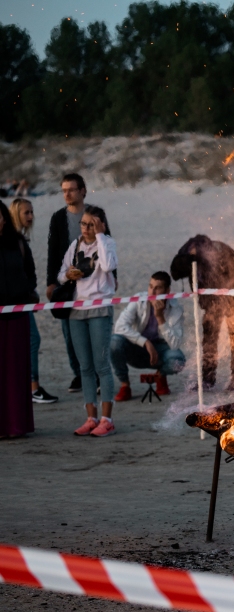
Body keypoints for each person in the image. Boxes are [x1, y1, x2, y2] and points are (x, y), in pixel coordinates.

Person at [58, 205, 118, 437]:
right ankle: (90, 417)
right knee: (85, 367)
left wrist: (101, 236)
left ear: (100, 225)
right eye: (83, 224)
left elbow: (108, 265)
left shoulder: (107, 242)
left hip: (100, 309)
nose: (86, 228)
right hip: (77, 309)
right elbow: (61, 273)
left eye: (91, 224)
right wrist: (67, 275)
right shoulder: (75, 245)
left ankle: (107, 419)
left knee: (102, 365)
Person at [170, 235, 234, 391]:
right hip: (211, 302)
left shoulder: (222, 253)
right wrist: (191, 259)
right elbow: (175, 272)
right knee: (209, 341)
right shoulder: (188, 254)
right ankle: (208, 379)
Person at [10, 198, 57, 403]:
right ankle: (33, 387)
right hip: (16, 300)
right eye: (25, 213)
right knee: (32, 340)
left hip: (23, 298)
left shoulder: (19, 239)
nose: (30, 216)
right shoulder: (13, 241)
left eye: (31, 212)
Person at [111, 271, 186, 401]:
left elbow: (175, 344)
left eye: (158, 288)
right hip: (137, 347)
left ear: (167, 291)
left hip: (162, 349)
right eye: (150, 286)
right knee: (114, 342)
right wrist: (145, 342)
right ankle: (125, 385)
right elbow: (119, 327)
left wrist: (160, 317)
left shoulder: (176, 309)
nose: (152, 292)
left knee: (178, 361)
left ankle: (160, 376)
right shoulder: (139, 300)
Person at [46, 173, 89, 393]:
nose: (67, 194)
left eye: (71, 189)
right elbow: (52, 252)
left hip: (91, 280)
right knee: (68, 330)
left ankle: (93, 374)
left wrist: (115, 276)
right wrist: (50, 282)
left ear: (82, 190)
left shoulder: (94, 214)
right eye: (64, 190)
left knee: (91, 327)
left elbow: (107, 243)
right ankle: (78, 374)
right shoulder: (58, 218)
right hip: (65, 280)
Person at [0, 201, 37, 438]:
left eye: (0, 216)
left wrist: (24, 294)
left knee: (16, 372)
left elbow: (30, 273)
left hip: (17, 316)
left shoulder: (18, 243)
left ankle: (16, 425)